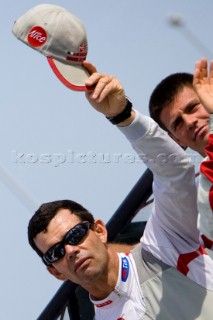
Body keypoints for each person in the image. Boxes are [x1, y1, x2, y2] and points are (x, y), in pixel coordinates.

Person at [28, 62, 213, 320]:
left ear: (100, 231)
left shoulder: (165, 243)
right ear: (56, 272)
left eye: (75, 235)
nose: (70, 251)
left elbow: (174, 170)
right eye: (56, 253)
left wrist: (123, 116)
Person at [149, 57, 213, 245]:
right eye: (178, 123)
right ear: (176, 140)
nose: (190, 122)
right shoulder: (203, 198)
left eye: (193, 107)